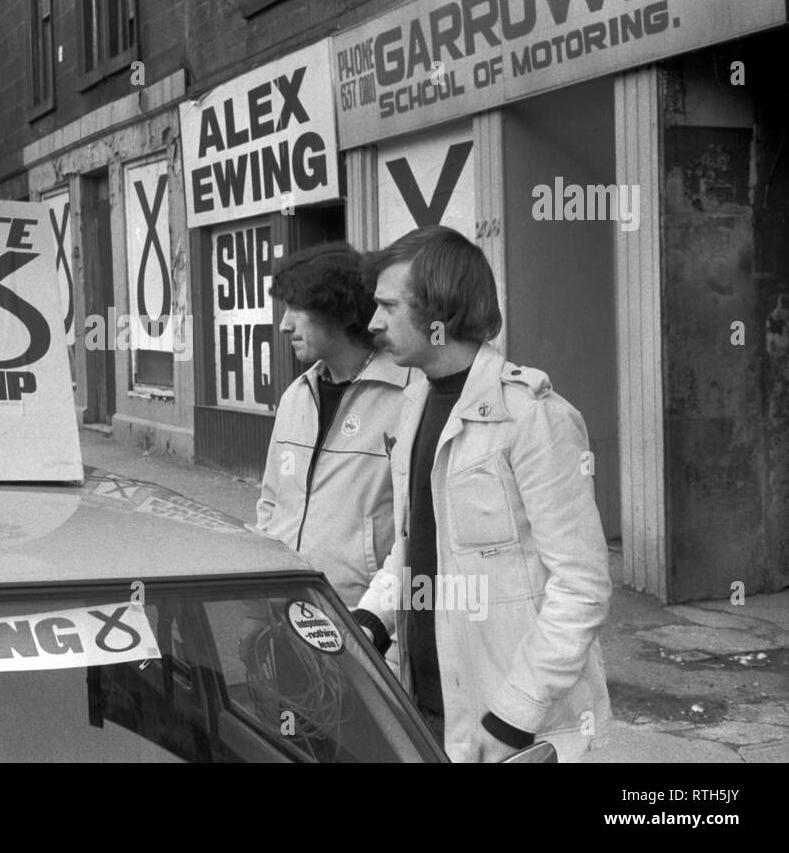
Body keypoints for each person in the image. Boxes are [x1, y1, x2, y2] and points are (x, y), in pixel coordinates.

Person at [350, 225, 611, 762]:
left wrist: (516, 711)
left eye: (388, 306)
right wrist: (374, 614)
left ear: (438, 315)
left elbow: (582, 585)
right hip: (429, 709)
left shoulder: (532, 417)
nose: (373, 322)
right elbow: (421, 538)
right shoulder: (415, 402)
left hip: (517, 731)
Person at [255, 242, 411, 608]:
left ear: (336, 309)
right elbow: (270, 505)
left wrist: (378, 619)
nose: (284, 324)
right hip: (284, 613)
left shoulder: (407, 398)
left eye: (297, 308)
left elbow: (415, 533)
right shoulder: (296, 396)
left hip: (362, 628)